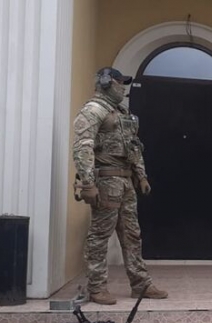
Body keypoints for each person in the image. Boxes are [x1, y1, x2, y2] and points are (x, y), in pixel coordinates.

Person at [72, 67, 168, 305]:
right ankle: (96, 287)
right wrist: (88, 183)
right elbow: (83, 147)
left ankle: (141, 284)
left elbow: (134, 146)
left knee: (132, 235)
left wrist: (141, 175)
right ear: (106, 82)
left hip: (125, 182)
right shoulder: (93, 110)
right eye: (119, 82)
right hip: (106, 180)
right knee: (100, 235)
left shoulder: (121, 113)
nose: (123, 87)